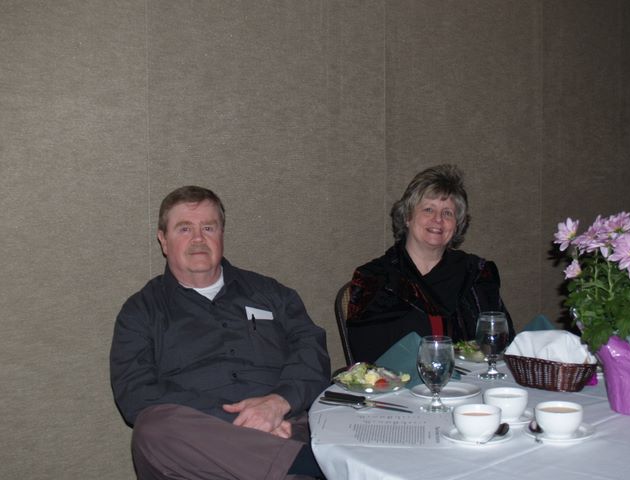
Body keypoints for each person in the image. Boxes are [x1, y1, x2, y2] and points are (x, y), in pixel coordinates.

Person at [110, 186, 330, 480]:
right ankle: (311, 465)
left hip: (284, 427)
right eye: (184, 229)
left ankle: (293, 463)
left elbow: (312, 351)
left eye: (208, 228)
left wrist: (277, 404)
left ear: (221, 234)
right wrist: (239, 421)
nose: (198, 238)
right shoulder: (141, 311)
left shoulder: (272, 294)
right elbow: (135, 394)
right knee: (151, 430)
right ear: (163, 240)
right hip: (195, 444)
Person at [347, 164, 515, 362]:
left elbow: (501, 342)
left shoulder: (475, 273)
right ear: (407, 217)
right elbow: (367, 355)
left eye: (447, 213)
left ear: (457, 225)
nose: (438, 219)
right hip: (399, 380)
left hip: (473, 379)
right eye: (428, 209)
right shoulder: (375, 280)